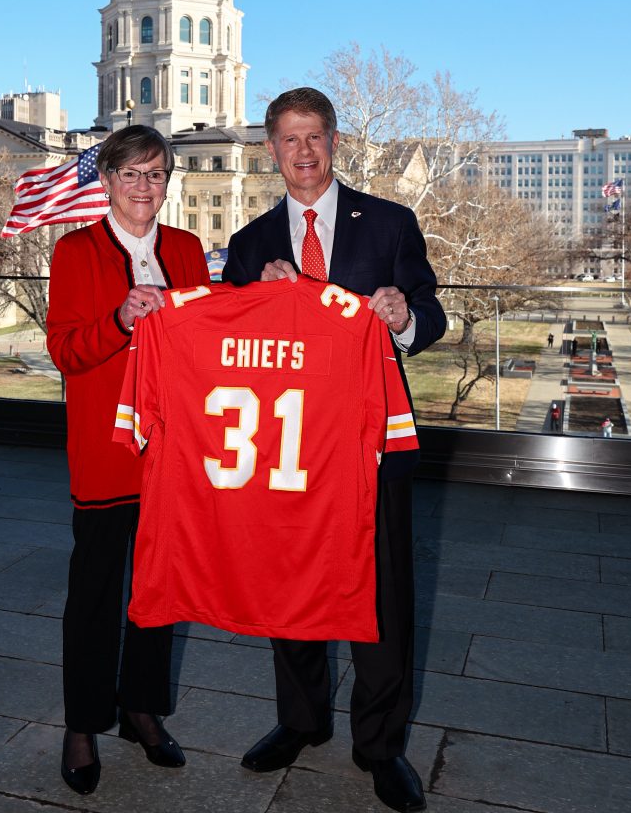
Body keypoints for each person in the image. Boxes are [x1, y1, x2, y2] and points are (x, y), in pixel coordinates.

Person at [222, 87, 446, 813]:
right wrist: (253, 298)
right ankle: (300, 720)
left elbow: (432, 313)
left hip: (372, 444)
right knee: (291, 586)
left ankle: (379, 746)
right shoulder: (252, 241)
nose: (303, 152)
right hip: (286, 450)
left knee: (380, 593)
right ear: (271, 152)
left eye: (314, 136)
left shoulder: (387, 222)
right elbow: (227, 346)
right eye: (288, 140)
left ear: (334, 140)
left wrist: (404, 314)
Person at [47, 125, 210, 796]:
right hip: (106, 453)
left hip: (171, 452)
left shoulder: (187, 249)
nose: (145, 188)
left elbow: (210, 339)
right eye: (132, 175)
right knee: (93, 596)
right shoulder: (76, 250)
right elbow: (66, 351)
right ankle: (82, 724)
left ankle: (141, 708)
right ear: (108, 181)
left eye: (156, 175)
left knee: (158, 590)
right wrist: (118, 320)